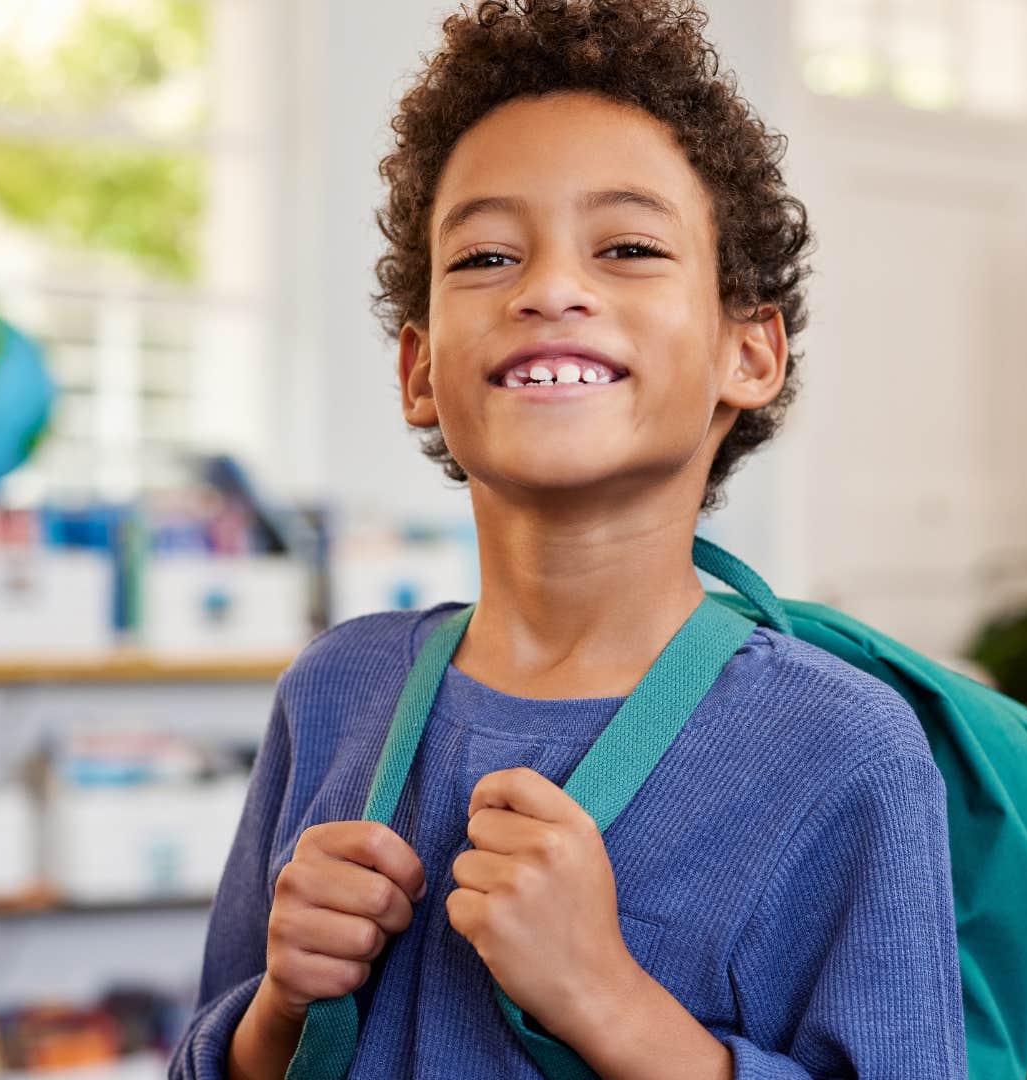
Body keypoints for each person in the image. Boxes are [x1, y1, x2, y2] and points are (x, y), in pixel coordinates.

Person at [171, 1, 968, 1076]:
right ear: (418, 369)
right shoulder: (331, 695)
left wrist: (606, 997)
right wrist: (276, 1012)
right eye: (486, 258)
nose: (549, 288)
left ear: (750, 353)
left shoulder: (846, 753)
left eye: (630, 247)